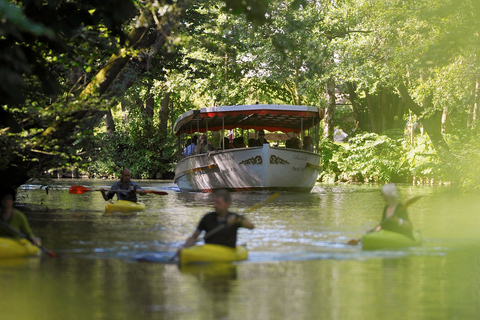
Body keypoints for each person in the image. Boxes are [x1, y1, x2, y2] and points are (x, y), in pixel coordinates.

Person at [181, 190, 254, 249]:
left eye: (218, 203)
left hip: (227, 252)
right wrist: (184, 248)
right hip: (210, 251)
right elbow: (194, 237)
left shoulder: (234, 217)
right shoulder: (207, 218)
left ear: (227, 204)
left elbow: (251, 226)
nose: (215, 205)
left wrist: (238, 220)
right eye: (215, 202)